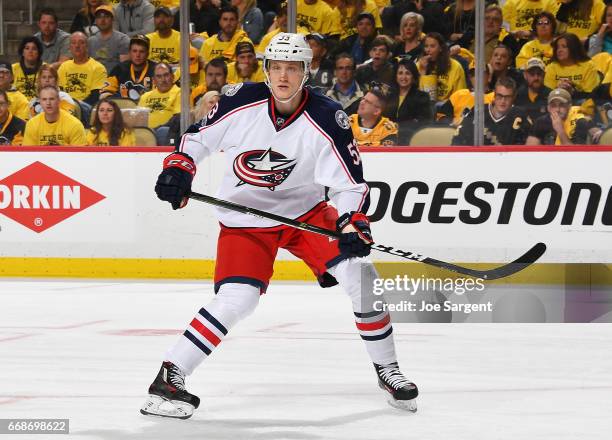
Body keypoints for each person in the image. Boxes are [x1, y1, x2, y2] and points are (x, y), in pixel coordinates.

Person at [142, 32, 418, 419]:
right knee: (238, 299)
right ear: (266, 70)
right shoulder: (239, 101)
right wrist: (179, 169)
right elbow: (196, 141)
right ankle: (170, 376)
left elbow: (348, 184)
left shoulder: (328, 117)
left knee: (362, 275)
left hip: (305, 214)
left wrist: (353, 222)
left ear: (307, 72)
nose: (283, 76)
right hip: (245, 218)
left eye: (293, 68)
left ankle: (387, 369)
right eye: (276, 67)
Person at [452, 77, 530, 146]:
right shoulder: (478, 111)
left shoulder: (520, 115)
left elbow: (527, 147)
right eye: (500, 96)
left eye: (507, 97)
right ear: (494, 95)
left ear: (514, 97)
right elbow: (458, 139)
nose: (503, 101)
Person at [526, 87, 601, 145]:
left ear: (569, 106)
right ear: (548, 108)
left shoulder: (580, 121)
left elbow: (576, 156)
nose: (557, 109)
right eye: (553, 106)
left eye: (562, 105)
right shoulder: (541, 122)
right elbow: (530, 151)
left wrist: (560, 131)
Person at [385, 58, 432, 144]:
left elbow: (424, 123)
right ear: (396, 76)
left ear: (413, 76)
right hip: (387, 138)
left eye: (408, 73)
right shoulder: (388, 96)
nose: (403, 77)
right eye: (400, 73)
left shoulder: (422, 97)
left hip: (410, 139)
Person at [22, 86, 87, 146]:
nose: (48, 103)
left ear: (59, 101)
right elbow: (29, 154)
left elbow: (79, 156)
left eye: (52, 99)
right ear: (40, 102)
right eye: (44, 99)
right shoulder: (32, 124)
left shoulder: (75, 124)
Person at [544, 33, 600, 100]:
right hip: (557, 102)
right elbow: (546, 94)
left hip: (581, 103)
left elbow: (591, 94)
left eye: (564, 47)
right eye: (557, 47)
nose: (559, 50)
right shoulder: (551, 67)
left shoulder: (589, 66)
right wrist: (558, 89)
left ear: (573, 48)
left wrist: (573, 91)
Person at [102, 35, 157, 101]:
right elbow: (105, 92)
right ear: (129, 53)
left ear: (147, 54)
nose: (138, 55)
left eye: (142, 51)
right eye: (134, 51)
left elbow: (160, 94)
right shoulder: (119, 69)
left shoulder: (156, 70)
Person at [417, 32, 467, 103]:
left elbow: (460, 96)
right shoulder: (419, 65)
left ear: (440, 48)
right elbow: (421, 97)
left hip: (449, 108)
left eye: (432, 46)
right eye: (426, 46)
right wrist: (423, 72)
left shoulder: (455, 66)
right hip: (425, 108)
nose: (428, 50)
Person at [138, 62, 181, 143]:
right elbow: (138, 121)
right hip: (145, 137)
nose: (163, 80)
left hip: (168, 136)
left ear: (173, 77)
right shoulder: (145, 96)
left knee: (163, 132)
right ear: (154, 80)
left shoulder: (180, 93)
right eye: (159, 76)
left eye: (166, 75)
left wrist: (154, 131)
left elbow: (177, 120)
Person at [88, 5, 131, 73]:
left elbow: (125, 67)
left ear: (112, 19)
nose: (102, 20)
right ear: (96, 20)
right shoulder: (90, 41)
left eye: (106, 16)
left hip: (114, 79)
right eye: (99, 17)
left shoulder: (123, 40)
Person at [515, 57, 551, 123]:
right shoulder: (517, 95)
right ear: (525, 75)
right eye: (532, 74)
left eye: (539, 74)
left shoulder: (551, 96)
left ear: (544, 75)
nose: (536, 78)